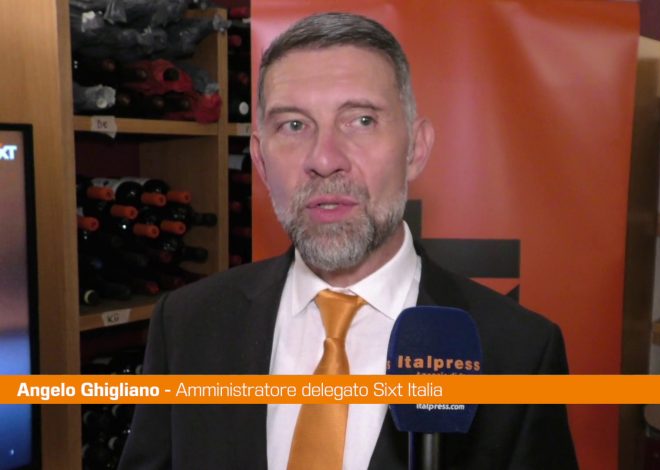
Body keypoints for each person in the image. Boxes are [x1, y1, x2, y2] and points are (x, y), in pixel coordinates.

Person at [119, 12, 578, 470]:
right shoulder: (187, 324)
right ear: (259, 159)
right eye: (294, 125)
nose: (324, 159)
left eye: (361, 120)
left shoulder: (519, 352)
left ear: (416, 148)